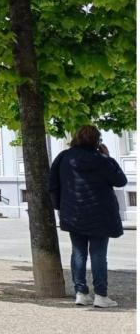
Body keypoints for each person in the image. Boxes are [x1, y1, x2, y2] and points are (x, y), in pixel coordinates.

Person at [49, 125, 128, 308]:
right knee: (98, 254)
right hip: (100, 214)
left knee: (78, 252)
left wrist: (60, 207)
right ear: (97, 141)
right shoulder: (100, 159)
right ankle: (101, 295)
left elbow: (53, 184)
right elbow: (120, 181)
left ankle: (81, 293)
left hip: (73, 213)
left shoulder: (64, 157)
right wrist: (108, 157)